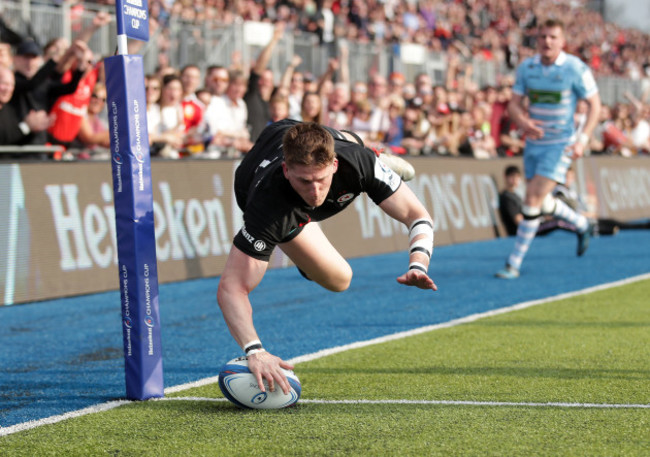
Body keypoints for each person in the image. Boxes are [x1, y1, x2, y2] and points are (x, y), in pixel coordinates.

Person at [217, 120, 435, 394]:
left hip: (313, 134)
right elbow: (231, 288)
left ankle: (377, 156)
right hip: (266, 189)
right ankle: (299, 246)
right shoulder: (268, 206)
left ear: (333, 166)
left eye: (321, 179)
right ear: (287, 170)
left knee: (348, 142)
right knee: (338, 278)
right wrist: (255, 350)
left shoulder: (356, 162)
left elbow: (418, 216)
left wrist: (418, 263)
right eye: (304, 181)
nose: (315, 191)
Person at [495, 19, 601, 279]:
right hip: (533, 144)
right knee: (542, 201)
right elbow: (514, 105)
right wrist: (522, 122)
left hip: (560, 144)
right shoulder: (527, 68)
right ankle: (581, 223)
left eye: (553, 37)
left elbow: (595, 105)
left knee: (531, 200)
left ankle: (514, 263)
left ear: (562, 41)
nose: (547, 42)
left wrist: (583, 139)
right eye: (542, 37)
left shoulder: (575, 68)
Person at [498, 165, 524, 236]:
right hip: (517, 234)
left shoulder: (516, 196)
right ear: (505, 177)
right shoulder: (506, 197)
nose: (515, 179)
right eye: (512, 176)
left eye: (517, 176)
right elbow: (518, 220)